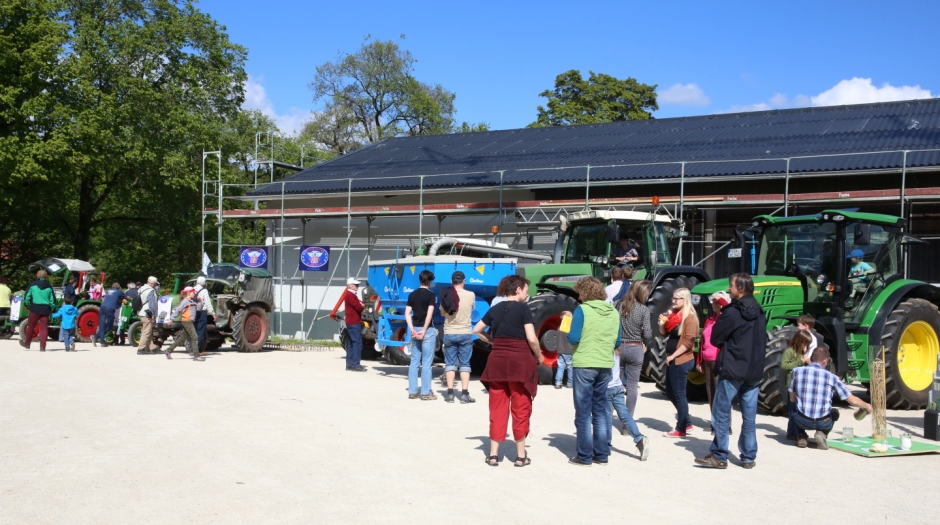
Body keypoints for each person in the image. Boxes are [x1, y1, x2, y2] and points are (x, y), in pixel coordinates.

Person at [695, 273, 767, 470]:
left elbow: (716, 337)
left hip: (734, 367)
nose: (729, 289)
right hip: (753, 369)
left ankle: (719, 455)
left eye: (731, 286)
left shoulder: (733, 312)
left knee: (721, 411)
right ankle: (748, 456)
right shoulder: (760, 311)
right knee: (749, 416)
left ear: (741, 289)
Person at [473, 275, 543, 467]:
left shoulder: (495, 308)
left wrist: (494, 342)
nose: (527, 294)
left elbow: (477, 330)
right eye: (526, 290)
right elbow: (531, 338)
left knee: (497, 408)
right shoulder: (523, 309)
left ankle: (493, 454)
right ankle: (520, 456)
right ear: (518, 289)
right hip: (520, 363)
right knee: (520, 408)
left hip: (497, 362)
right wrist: (539, 355)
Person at [567, 276, 622, 466]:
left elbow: (574, 338)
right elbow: (617, 341)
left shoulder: (582, 310)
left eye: (579, 293)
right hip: (605, 364)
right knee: (600, 409)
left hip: (584, 362)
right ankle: (601, 453)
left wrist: (567, 328)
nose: (579, 297)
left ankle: (584, 455)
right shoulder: (614, 312)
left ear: (585, 293)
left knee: (583, 411)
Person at [790, 346, 873, 449]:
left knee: (793, 406)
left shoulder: (796, 371)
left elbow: (793, 398)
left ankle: (800, 435)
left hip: (802, 421)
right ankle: (822, 433)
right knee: (834, 413)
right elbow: (852, 400)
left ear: (811, 358)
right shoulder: (832, 377)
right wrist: (867, 406)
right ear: (825, 361)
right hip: (823, 422)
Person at [659, 287, 699, 438]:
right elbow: (664, 334)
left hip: (681, 359)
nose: (673, 301)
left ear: (685, 300)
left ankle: (681, 428)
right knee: (670, 392)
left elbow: (688, 342)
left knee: (679, 394)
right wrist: (662, 324)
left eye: (677, 299)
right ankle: (686, 421)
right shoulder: (675, 315)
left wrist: (672, 356)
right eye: (673, 298)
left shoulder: (690, 317)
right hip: (673, 358)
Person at [607, 346, 649, 461]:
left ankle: (606, 444)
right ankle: (639, 438)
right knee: (625, 415)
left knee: (607, 416)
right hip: (618, 386)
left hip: (608, 388)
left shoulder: (605, 351)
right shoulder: (617, 351)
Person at [441, 270, 476, 404]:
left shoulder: (446, 295)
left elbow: (443, 313)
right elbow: (471, 309)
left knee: (450, 364)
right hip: (465, 332)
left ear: (451, 282)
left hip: (450, 332)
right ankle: (465, 394)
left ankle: (450, 394)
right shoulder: (471, 295)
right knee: (465, 364)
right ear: (464, 281)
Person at [698, 290, 732, 431]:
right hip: (707, 359)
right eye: (713, 302)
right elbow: (702, 341)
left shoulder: (726, 319)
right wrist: (699, 360)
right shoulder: (709, 319)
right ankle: (715, 422)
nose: (715, 305)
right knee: (710, 393)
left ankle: (726, 424)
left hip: (720, 360)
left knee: (721, 393)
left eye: (718, 302)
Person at [618, 280, 652, 416]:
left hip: (619, 347)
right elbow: (648, 334)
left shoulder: (619, 305)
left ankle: (610, 414)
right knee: (632, 387)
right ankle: (628, 421)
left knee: (616, 384)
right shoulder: (643, 309)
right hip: (635, 347)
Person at [405, 270, 437, 400]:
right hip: (427, 330)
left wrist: (412, 328)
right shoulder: (431, 295)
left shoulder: (412, 294)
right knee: (427, 363)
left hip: (415, 328)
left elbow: (407, 313)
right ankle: (425, 392)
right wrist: (424, 329)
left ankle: (412, 391)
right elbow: (429, 314)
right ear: (429, 281)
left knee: (414, 362)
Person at [781, 330, 813, 441]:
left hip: (800, 384)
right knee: (793, 410)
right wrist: (800, 361)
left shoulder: (801, 352)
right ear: (798, 340)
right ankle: (791, 433)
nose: (806, 346)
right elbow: (784, 365)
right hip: (791, 384)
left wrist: (806, 362)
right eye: (804, 343)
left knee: (799, 410)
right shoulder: (789, 351)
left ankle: (797, 431)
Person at [21, 269, 56, 352]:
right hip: (45, 309)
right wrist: (51, 308)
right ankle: (43, 347)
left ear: (37, 275)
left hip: (34, 308)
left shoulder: (32, 285)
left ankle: (27, 344)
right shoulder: (49, 287)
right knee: (44, 328)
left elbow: (27, 298)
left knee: (31, 326)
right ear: (45, 276)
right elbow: (52, 301)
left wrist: (29, 305)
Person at [163, 287, 202, 361]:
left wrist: (200, 301)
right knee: (195, 337)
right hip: (187, 321)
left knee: (182, 338)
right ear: (189, 293)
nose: (195, 294)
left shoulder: (192, 301)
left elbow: (199, 309)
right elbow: (178, 310)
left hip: (190, 321)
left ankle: (168, 350)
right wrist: (171, 319)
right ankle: (196, 356)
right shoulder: (185, 301)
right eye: (193, 292)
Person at [343, 277, 367, 372]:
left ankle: (349, 364)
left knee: (351, 343)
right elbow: (358, 307)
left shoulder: (349, 294)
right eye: (356, 285)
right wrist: (362, 306)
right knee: (357, 343)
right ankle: (355, 364)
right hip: (354, 322)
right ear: (350, 286)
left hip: (350, 321)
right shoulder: (351, 295)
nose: (358, 286)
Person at [93, 282, 125, 348]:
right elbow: (127, 297)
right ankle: (96, 336)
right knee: (110, 325)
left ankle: (101, 341)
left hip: (102, 307)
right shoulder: (119, 291)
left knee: (102, 325)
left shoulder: (108, 291)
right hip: (109, 308)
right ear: (118, 287)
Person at [136, 276, 161, 355]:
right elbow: (152, 304)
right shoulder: (150, 291)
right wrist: (153, 315)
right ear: (153, 283)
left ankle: (152, 348)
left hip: (141, 312)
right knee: (146, 331)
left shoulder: (141, 289)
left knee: (148, 330)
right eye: (155, 284)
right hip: (147, 313)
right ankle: (141, 348)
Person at [193, 276, 216, 355]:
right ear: (204, 283)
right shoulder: (204, 291)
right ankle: (198, 350)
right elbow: (207, 303)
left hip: (193, 312)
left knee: (194, 330)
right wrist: (213, 313)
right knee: (201, 331)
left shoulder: (192, 289)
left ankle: (193, 349)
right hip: (202, 312)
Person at [554, 311, 574, 389]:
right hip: (568, 350)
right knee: (570, 367)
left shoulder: (559, 328)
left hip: (560, 350)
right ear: (568, 317)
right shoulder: (570, 328)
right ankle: (569, 383)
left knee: (560, 366)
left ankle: (558, 383)